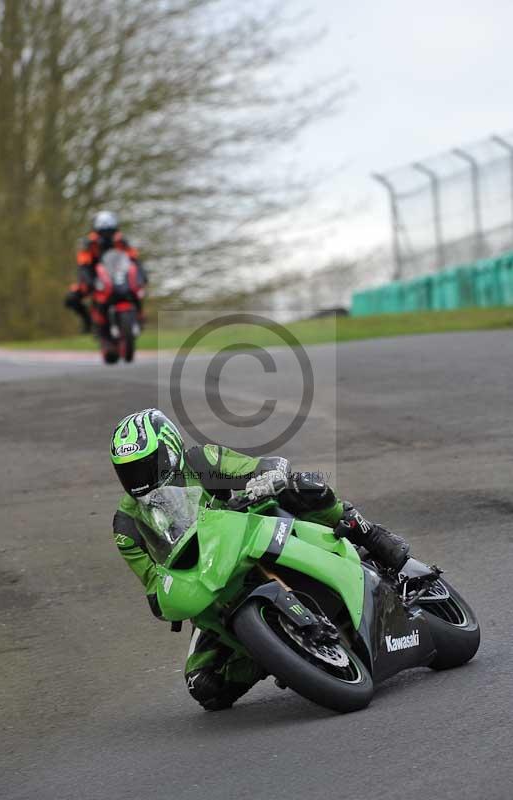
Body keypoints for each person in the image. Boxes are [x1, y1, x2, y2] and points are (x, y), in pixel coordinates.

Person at [110, 408, 410, 712]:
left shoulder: (201, 461)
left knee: (302, 485)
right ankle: (274, 650)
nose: (138, 479)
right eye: (128, 472)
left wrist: (266, 479)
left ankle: (369, 534)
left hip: (252, 533)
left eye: (145, 465)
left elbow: (259, 467)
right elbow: (151, 582)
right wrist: (164, 597)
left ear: (169, 449)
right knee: (204, 686)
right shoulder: (126, 524)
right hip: (211, 584)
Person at [64, 211, 146, 333]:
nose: (107, 235)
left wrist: (141, 276)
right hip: (96, 278)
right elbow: (83, 265)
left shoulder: (122, 241)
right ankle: (88, 322)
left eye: (110, 231)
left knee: (137, 292)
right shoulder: (89, 244)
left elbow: (134, 261)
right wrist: (88, 281)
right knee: (71, 298)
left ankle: (139, 318)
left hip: (119, 277)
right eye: (103, 231)